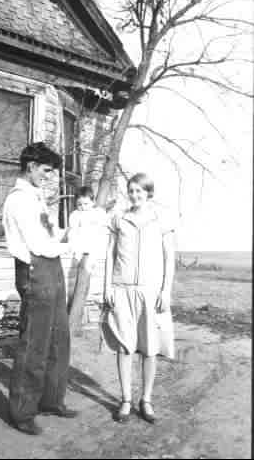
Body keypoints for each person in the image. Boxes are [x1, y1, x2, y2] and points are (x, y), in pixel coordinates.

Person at [2, 142, 78, 436]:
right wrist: (72, 244)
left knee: (59, 340)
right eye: (46, 170)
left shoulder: (35, 198)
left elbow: (48, 234)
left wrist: (69, 231)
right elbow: (38, 245)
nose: (48, 176)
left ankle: (51, 400)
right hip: (36, 271)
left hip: (52, 268)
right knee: (34, 345)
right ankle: (22, 412)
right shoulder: (19, 200)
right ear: (31, 166)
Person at [102, 172, 176, 424]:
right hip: (122, 289)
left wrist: (166, 291)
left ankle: (146, 400)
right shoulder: (119, 218)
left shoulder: (161, 219)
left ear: (148, 194)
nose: (135, 195)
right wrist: (107, 287)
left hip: (150, 291)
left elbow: (169, 258)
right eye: (131, 191)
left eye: (140, 192)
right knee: (124, 346)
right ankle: (125, 399)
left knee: (149, 348)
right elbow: (111, 254)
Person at [68, 186, 108, 262]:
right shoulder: (75, 215)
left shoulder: (98, 213)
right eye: (79, 204)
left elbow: (104, 229)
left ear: (93, 202)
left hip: (95, 249)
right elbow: (72, 233)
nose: (83, 207)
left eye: (86, 204)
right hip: (80, 249)